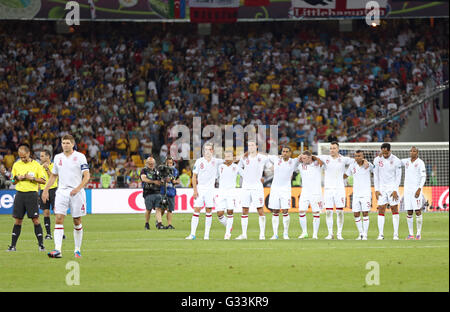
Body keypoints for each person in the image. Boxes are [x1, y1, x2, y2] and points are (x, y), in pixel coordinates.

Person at [43, 134, 90, 258]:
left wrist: (78, 188)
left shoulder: (80, 157)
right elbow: (53, 176)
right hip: (61, 192)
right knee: (58, 218)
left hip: (77, 193)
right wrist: (46, 189)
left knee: (77, 221)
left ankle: (77, 250)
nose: (65, 145)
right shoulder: (58, 157)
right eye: (63, 143)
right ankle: (57, 250)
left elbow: (86, 175)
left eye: (68, 143)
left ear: (73, 144)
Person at [314, 142, 358, 240]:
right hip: (328, 189)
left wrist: (347, 173)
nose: (332, 150)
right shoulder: (325, 158)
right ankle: (330, 234)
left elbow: (356, 161)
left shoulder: (343, 159)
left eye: (334, 148)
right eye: (331, 148)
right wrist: (317, 159)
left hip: (339, 189)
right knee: (328, 212)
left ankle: (339, 234)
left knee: (339, 212)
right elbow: (311, 156)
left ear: (338, 149)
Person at [7, 145, 47, 252]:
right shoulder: (16, 164)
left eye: (24, 157)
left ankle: (41, 245)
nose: (22, 159)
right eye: (21, 157)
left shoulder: (36, 165)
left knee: (35, 220)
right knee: (18, 221)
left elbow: (43, 180)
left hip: (31, 195)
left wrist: (33, 178)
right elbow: (11, 181)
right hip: (20, 195)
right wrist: (17, 178)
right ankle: (13, 246)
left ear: (29, 153)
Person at [186, 143, 223, 240]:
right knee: (196, 210)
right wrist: (195, 190)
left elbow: (229, 160)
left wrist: (244, 155)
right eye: (205, 149)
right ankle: (192, 234)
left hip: (210, 190)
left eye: (209, 149)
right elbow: (194, 176)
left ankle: (206, 235)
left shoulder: (216, 161)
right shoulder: (199, 161)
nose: (207, 151)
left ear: (212, 151)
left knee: (208, 211)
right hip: (200, 189)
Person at [236, 141, 271, 240]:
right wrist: (245, 175)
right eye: (249, 145)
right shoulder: (244, 158)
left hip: (257, 187)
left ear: (256, 146)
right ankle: (244, 234)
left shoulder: (262, 158)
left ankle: (262, 234)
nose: (250, 147)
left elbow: (270, 168)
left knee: (260, 209)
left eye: (252, 145)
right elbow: (238, 168)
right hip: (246, 187)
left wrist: (265, 176)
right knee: (244, 210)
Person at [267, 146, 300, 240]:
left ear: (290, 153)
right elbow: (265, 157)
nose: (284, 153)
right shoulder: (276, 159)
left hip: (286, 190)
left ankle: (285, 234)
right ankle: (275, 234)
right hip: (275, 189)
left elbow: (304, 156)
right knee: (275, 211)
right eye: (283, 151)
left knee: (285, 211)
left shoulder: (293, 161)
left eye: (286, 151)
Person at [373, 142, 402, 240]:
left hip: (392, 188)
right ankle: (380, 234)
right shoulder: (377, 160)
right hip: (381, 188)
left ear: (390, 151)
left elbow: (398, 177)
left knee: (394, 209)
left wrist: (395, 190)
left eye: (386, 152)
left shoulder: (396, 160)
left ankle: (395, 234)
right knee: (381, 208)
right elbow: (376, 175)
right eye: (383, 152)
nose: (384, 154)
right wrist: (376, 189)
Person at [344, 150, 374, 240]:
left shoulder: (368, 165)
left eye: (359, 156)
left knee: (365, 213)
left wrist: (367, 164)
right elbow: (346, 175)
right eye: (356, 156)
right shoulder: (352, 166)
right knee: (356, 214)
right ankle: (360, 234)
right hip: (356, 193)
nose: (357, 157)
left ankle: (365, 234)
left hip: (366, 193)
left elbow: (374, 170)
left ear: (363, 156)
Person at [297, 150, 324, 240]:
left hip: (316, 192)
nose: (303, 160)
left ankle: (315, 234)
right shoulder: (301, 166)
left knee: (316, 212)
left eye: (305, 158)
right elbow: (295, 161)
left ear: (309, 158)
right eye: (302, 158)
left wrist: (314, 156)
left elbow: (321, 162)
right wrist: (299, 157)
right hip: (305, 192)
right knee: (301, 211)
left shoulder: (317, 164)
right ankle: (304, 232)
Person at [216, 150, 243, 240]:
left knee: (230, 212)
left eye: (229, 156)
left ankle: (227, 234)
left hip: (232, 192)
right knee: (219, 213)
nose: (227, 158)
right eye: (226, 156)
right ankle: (229, 226)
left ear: (232, 158)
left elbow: (245, 175)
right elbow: (214, 176)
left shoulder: (236, 167)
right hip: (221, 192)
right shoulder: (220, 167)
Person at [401, 146, 426, 240]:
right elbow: (396, 161)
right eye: (411, 151)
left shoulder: (420, 162)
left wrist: (419, 189)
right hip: (407, 191)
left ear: (417, 152)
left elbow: (423, 177)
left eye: (414, 151)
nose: (412, 152)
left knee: (418, 211)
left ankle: (418, 234)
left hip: (416, 190)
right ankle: (411, 234)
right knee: (409, 211)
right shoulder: (406, 161)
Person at [140, 157, 165, 230]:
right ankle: (147, 223)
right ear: (147, 163)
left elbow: (160, 179)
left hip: (157, 192)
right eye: (150, 163)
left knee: (158, 208)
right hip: (148, 192)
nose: (151, 165)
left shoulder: (156, 171)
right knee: (149, 209)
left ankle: (159, 223)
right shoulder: (144, 170)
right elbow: (143, 179)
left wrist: (162, 181)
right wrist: (154, 182)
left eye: (152, 163)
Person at [39, 149, 58, 240]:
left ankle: (59, 232)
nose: (40, 157)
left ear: (48, 157)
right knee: (46, 212)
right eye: (40, 156)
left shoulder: (54, 165)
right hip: (43, 191)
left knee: (56, 212)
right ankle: (48, 234)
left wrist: (47, 168)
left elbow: (53, 178)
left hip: (54, 190)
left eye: (42, 156)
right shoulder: (39, 167)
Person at [160, 157, 180, 229]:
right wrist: (168, 180)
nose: (169, 164)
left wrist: (175, 182)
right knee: (162, 208)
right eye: (168, 163)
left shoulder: (175, 171)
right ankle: (159, 222)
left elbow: (178, 180)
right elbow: (164, 179)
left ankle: (169, 224)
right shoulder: (162, 170)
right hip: (163, 192)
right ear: (165, 163)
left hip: (171, 192)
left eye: (171, 163)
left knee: (170, 209)